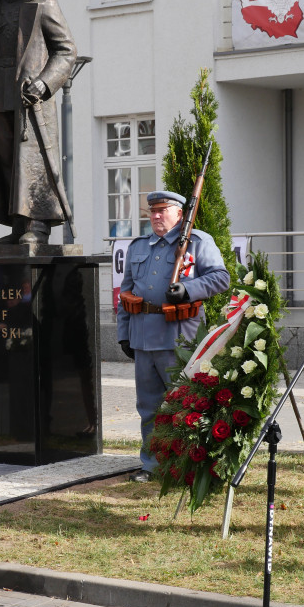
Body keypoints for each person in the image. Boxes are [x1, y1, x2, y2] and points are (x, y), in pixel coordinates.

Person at [116, 191, 230, 482]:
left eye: (162, 210)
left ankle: (188, 465)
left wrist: (188, 290)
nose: (155, 215)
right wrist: (123, 333)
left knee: (185, 406)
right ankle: (152, 466)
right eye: (152, 211)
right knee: (149, 407)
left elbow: (221, 277)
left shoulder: (198, 242)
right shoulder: (139, 246)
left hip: (180, 337)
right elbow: (126, 292)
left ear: (179, 214)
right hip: (143, 337)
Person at [0, 0, 77, 245]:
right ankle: (19, 226)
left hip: (29, 96)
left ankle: (38, 225)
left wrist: (45, 84)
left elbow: (67, 50)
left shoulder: (43, 0)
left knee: (31, 161)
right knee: (6, 161)